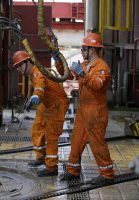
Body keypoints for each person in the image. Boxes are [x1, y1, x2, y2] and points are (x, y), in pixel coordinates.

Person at [58, 33, 115, 183]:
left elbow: (97, 85)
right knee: (76, 140)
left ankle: (107, 174)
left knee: (96, 141)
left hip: (96, 111)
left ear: (93, 49)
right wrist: (58, 60)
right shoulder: (84, 65)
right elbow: (67, 76)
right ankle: (72, 170)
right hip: (83, 109)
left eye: (84, 48)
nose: (82, 51)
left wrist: (83, 73)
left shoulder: (102, 67)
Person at [12, 51, 68, 176]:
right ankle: (41, 157)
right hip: (47, 104)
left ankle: (52, 167)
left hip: (57, 104)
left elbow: (40, 85)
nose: (19, 69)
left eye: (20, 66)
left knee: (51, 136)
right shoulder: (32, 73)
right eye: (17, 67)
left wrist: (36, 95)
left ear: (27, 62)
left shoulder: (37, 72)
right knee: (37, 128)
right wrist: (32, 98)